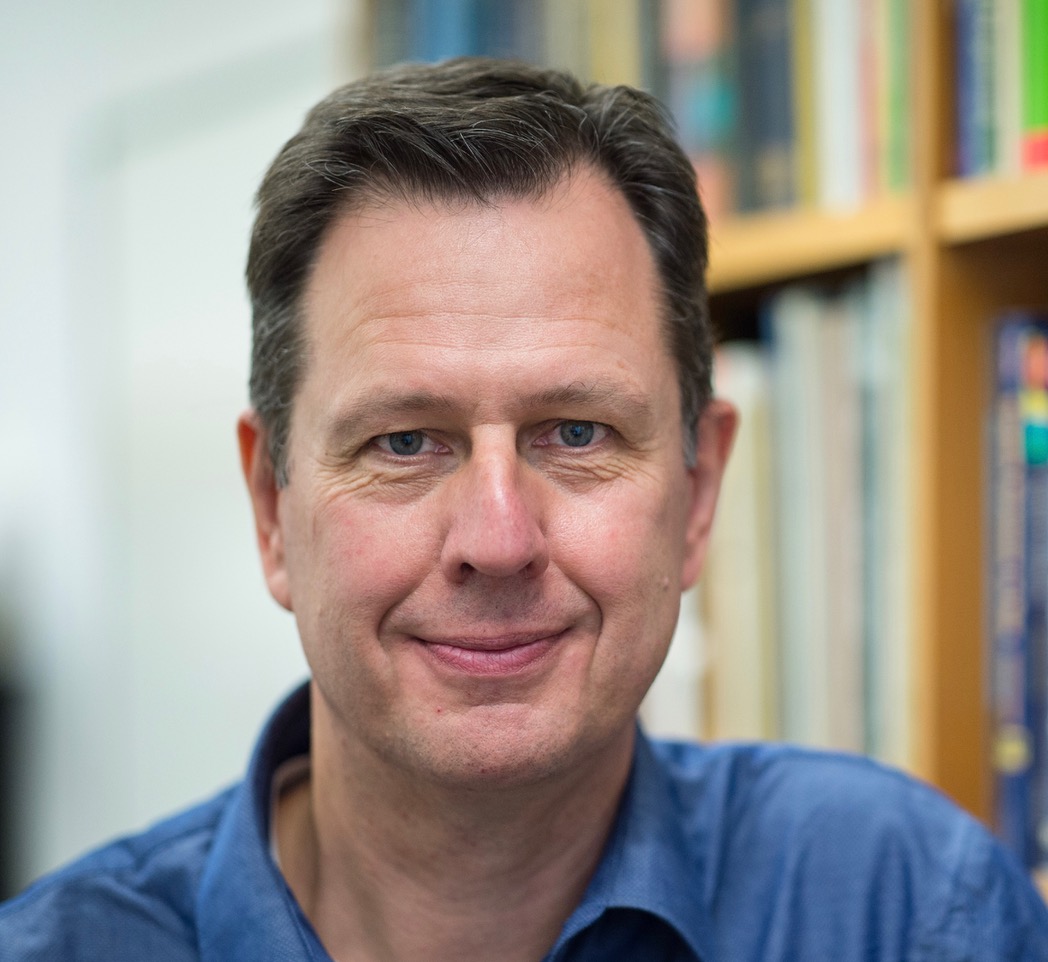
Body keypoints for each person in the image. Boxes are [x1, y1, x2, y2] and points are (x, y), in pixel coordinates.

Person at [2, 56, 1046, 962]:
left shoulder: (908, 911)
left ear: (698, 493)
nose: (498, 540)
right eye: (404, 442)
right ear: (273, 509)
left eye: (576, 432)